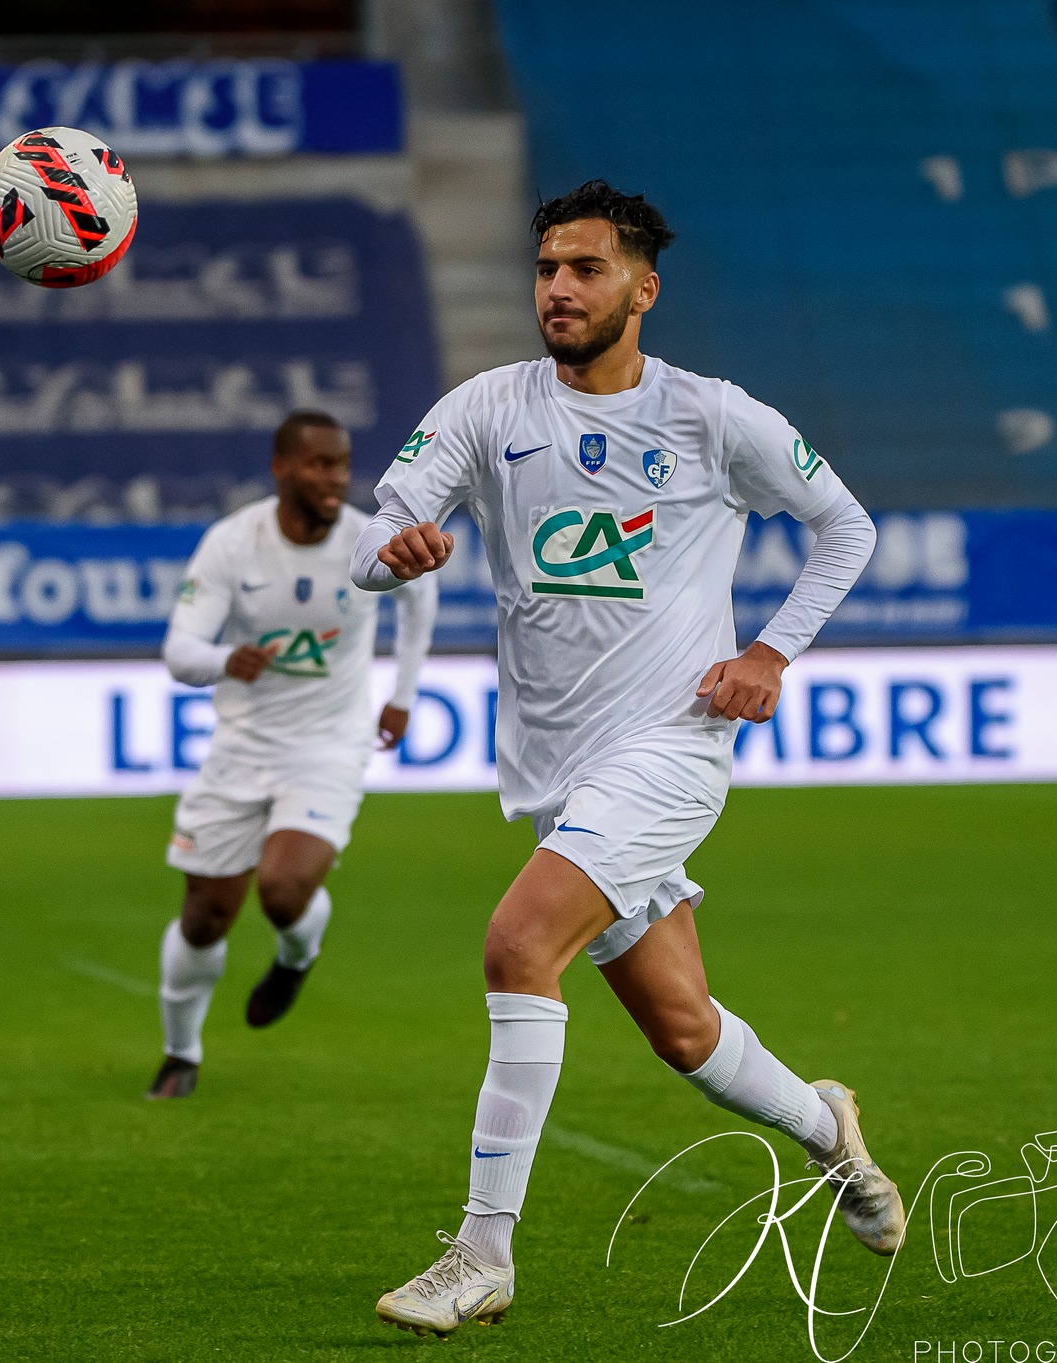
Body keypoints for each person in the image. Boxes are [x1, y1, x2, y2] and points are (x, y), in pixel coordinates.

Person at [351, 181, 899, 1336]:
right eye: (547, 266)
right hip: (558, 770)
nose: (558, 286)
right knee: (683, 1028)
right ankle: (828, 1130)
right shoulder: (487, 407)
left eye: (585, 268)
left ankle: (480, 1255)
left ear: (640, 289)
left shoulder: (711, 416)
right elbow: (373, 538)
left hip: (670, 745)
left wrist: (768, 651)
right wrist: (392, 554)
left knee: (515, 945)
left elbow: (844, 525)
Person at [147, 410, 439, 1100]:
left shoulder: (367, 542)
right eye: (318, 465)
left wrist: (402, 694)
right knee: (205, 916)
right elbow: (178, 649)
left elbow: (419, 597)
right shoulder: (232, 542)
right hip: (241, 747)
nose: (335, 479)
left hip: (328, 746)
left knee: (282, 890)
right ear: (282, 468)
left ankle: (296, 954)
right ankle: (180, 1052)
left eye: (341, 464)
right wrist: (226, 658)